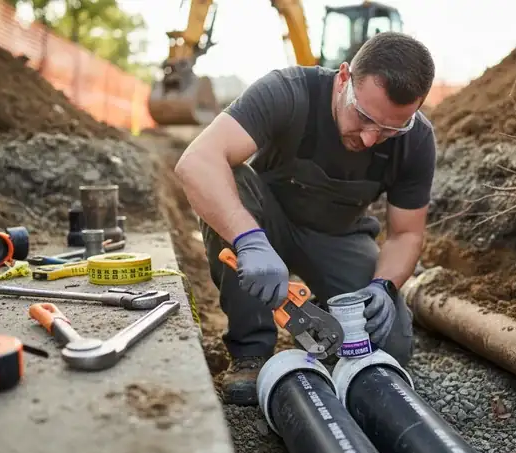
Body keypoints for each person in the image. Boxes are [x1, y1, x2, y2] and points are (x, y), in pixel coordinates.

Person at [174, 31, 437, 406]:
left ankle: (314, 317)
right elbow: (197, 162)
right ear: (343, 77)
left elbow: (406, 234)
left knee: (391, 341)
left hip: (337, 237)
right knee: (226, 178)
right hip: (266, 227)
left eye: (390, 130)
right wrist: (249, 239)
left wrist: (385, 286)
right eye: (363, 117)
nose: (369, 139)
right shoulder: (288, 91)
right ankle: (251, 351)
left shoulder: (417, 140)